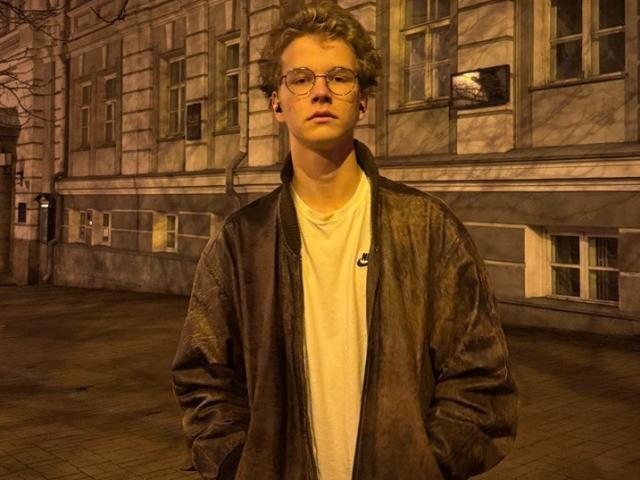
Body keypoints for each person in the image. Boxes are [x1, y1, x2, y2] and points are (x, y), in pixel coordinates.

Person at [171, 2, 517, 479]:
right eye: (300, 79)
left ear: (362, 99)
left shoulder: (426, 227)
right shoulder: (242, 241)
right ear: (276, 103)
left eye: (339, 77)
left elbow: (479, 376)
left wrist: (427, 462)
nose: (321, 92)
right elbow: (202, 376)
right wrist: (239, 464)